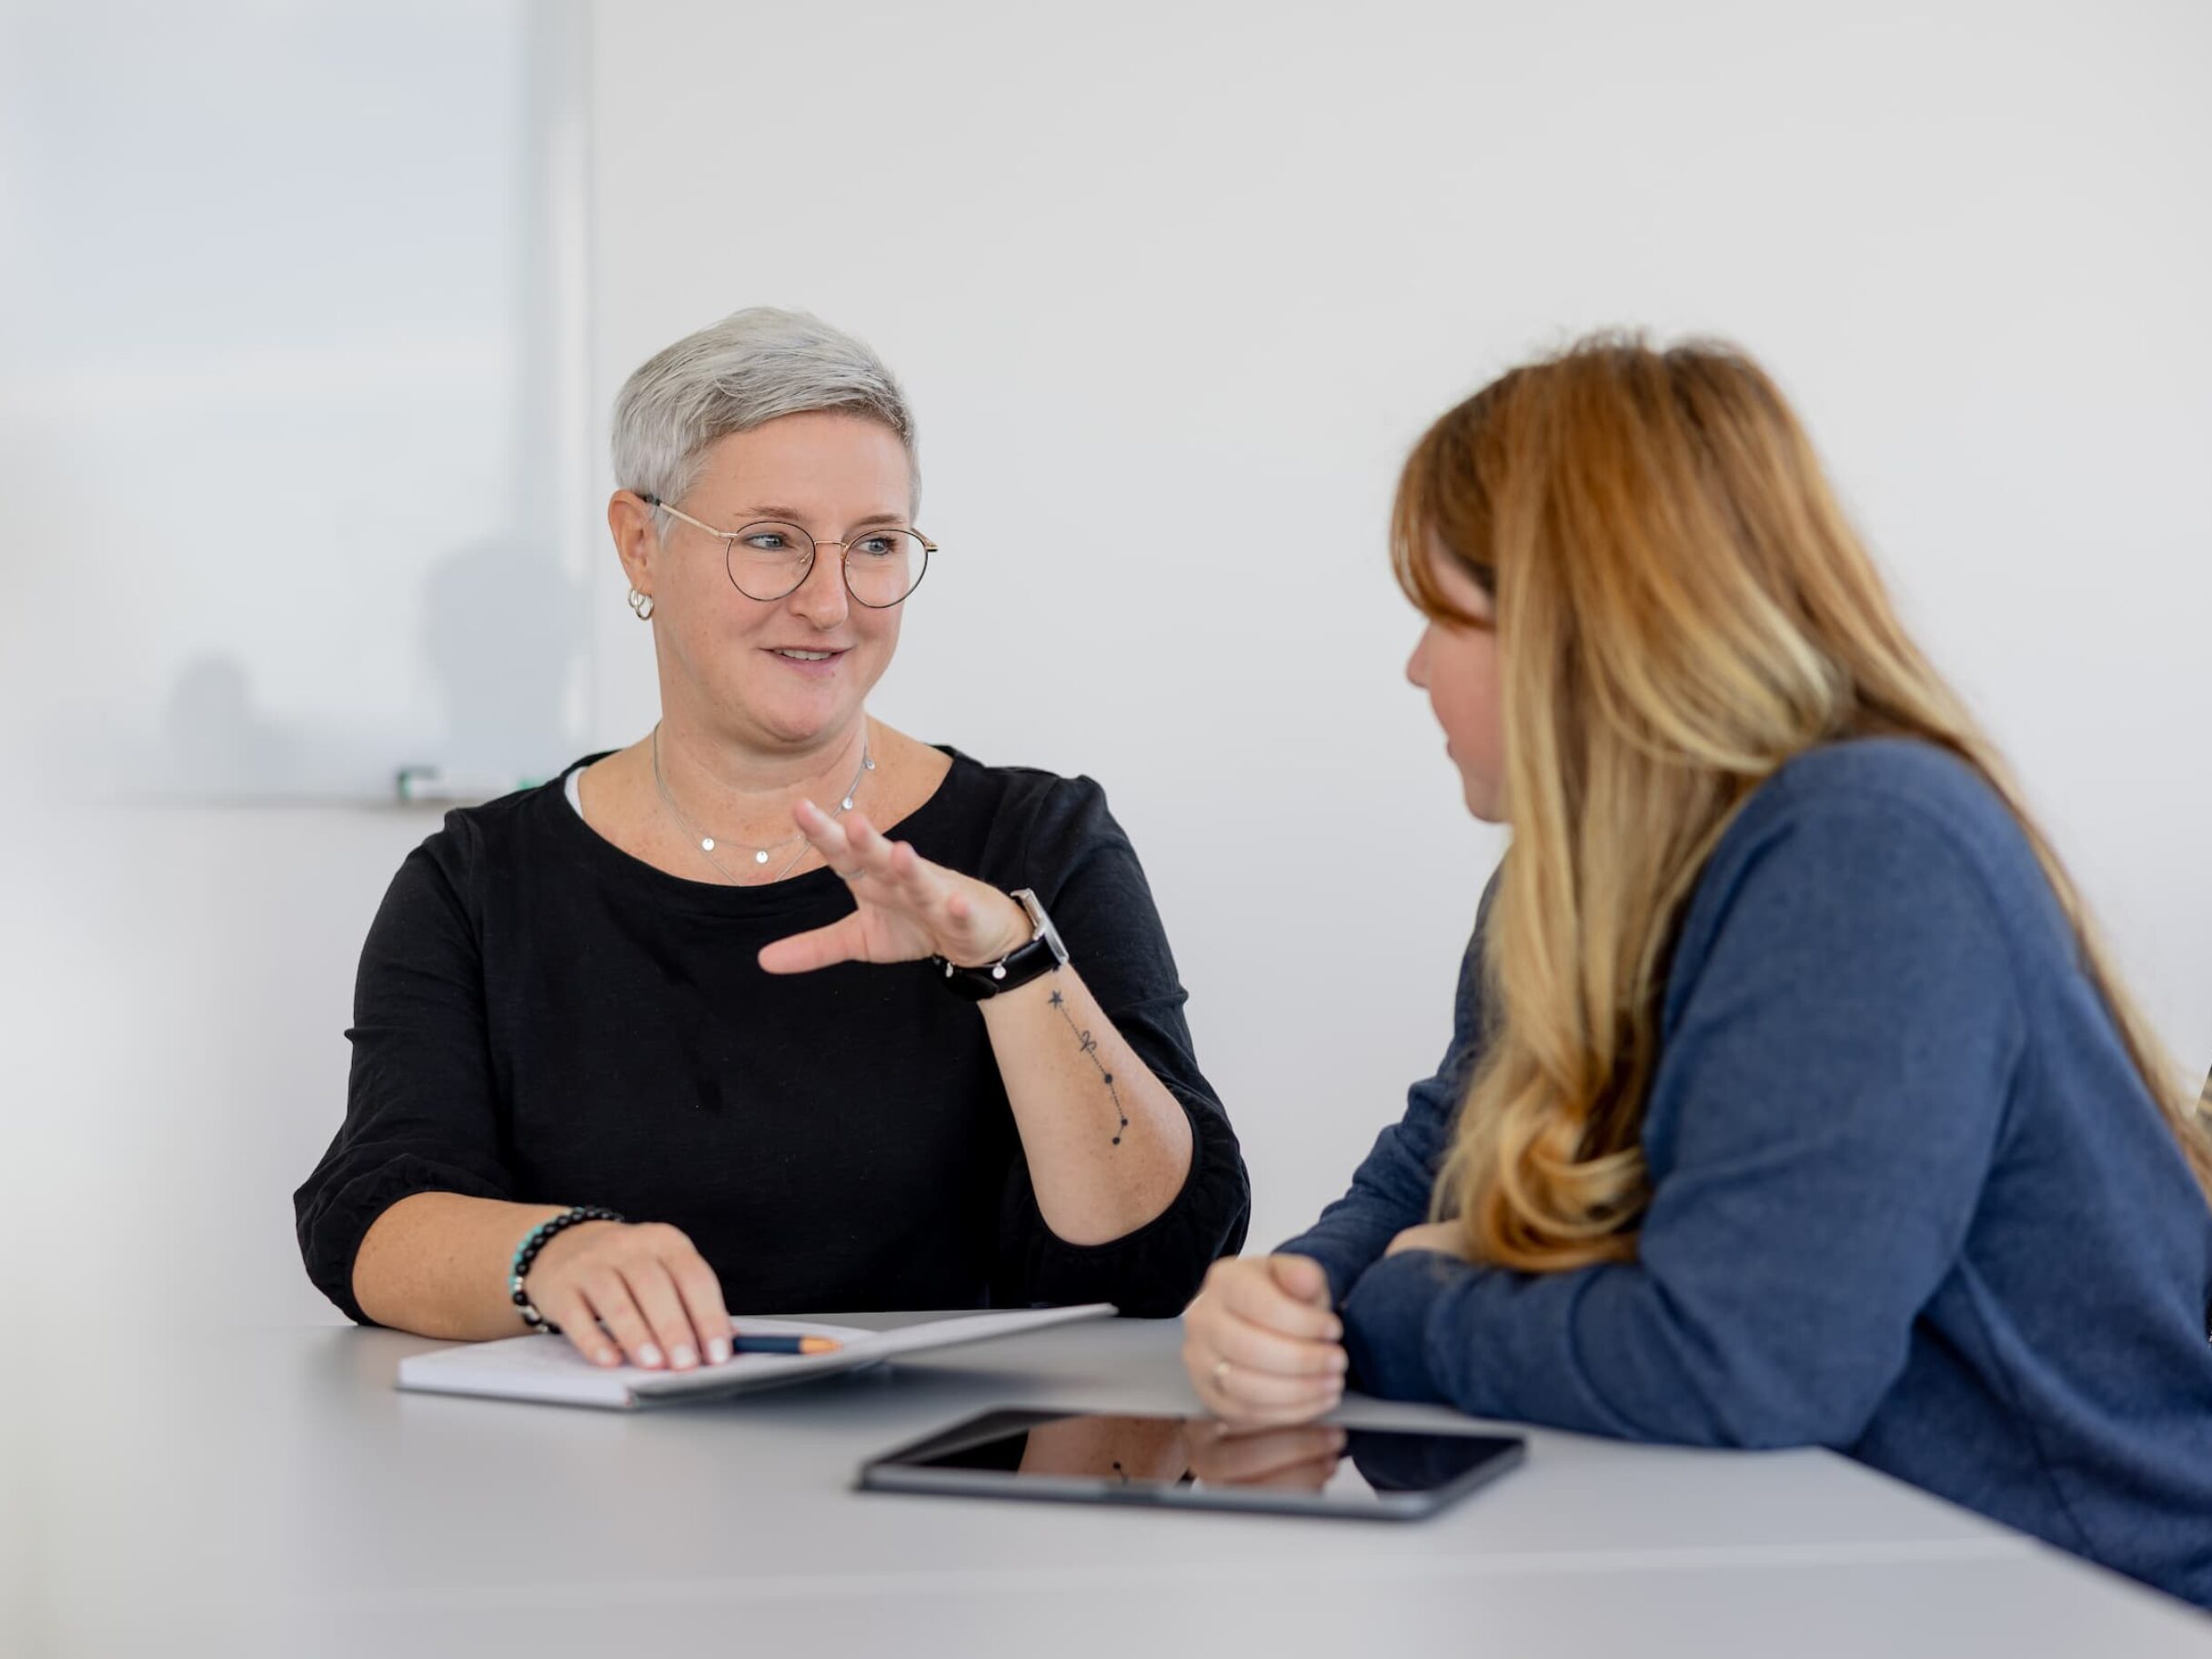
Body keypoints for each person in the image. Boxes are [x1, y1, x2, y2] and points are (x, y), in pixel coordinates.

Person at [1181, 335, 2212, 1608]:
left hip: (2081, 1603)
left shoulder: (1867, 847)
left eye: (1443, 614)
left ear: (1580, 626)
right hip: (1829, 1569)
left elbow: (1742, 1363)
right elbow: (1425, 1170)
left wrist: (1398, 1305)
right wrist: (1291, 1295)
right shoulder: (1570, 885)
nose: (1412, 666)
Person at [297, 307, 1249, 1372]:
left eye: (875, 546)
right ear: (639, 542)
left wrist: (1011, 962)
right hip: (591, 1507)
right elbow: (370, 1215)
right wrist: (551, 1256)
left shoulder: (1035, 841)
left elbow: (1162, 1257)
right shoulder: (477, 884)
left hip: (955, 1498)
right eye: (768, 541)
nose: (830, 602)